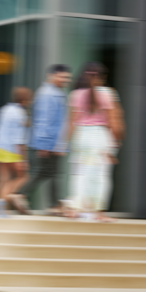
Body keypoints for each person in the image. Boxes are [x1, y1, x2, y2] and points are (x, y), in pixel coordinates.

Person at [62, 62, 123, 223]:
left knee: (79, 173)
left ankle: (75, 210)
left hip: (81, 136)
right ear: (102, 77)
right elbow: (113, 121)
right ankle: (99, 213)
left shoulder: (75, 94)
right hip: (100, 136)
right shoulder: (109, 93)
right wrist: (114, 145)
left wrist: (63, 143)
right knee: (101, 176)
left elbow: (71, 122)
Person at [14, 64, 72, 215]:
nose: (65, 80)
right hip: (49, 142)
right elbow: (43, 120)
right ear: (52, 76)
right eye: (62, 76)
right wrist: (44, 144)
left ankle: (51, 203)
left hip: (52, 142)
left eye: (67, 77)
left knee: (49, 173)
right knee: (48, 173)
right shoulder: (48, 93)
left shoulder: (55, 93)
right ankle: (24, 196)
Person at [0, 87, 32, 218]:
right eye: (29, 100)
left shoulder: (4, 109)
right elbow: (19, 139)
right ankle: (1, 202)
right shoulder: (20, 114)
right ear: (24, 100)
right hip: (10, 150)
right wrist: (23, 159)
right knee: (23, 177)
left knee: (3, 178)